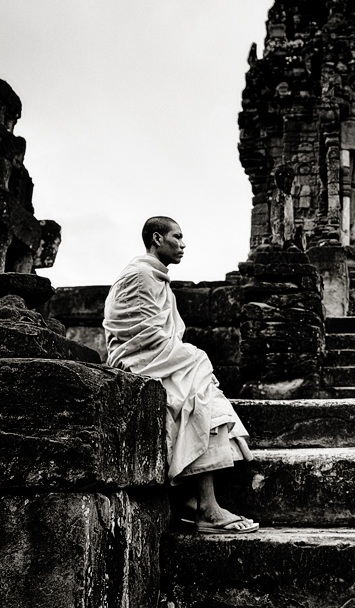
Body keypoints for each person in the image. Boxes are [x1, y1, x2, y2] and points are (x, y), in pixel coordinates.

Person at [103, 216, 257, 534]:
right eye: (178, 237)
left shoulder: (157, 280)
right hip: (139, 364)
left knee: (201, 393)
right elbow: (137, 336)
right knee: (198, 383)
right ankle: (208, 509)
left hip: (159, 361)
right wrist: (187, 357)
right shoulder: (140, 274)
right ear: (158, 238)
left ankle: (195, 500)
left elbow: (162, 336)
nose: (183, 245)